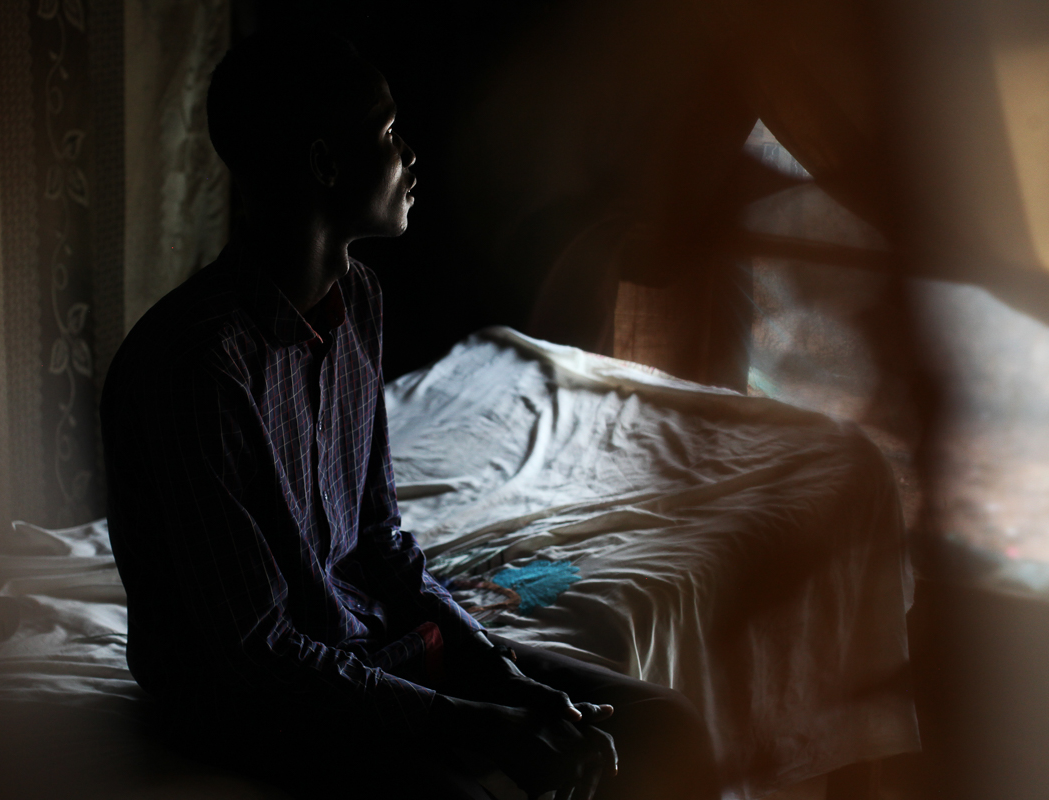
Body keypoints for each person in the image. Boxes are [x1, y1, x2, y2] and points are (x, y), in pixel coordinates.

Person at [101, 30, 718, 800]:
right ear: (326, 165)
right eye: (389, 134)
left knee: (665, 729)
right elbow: (257, 659)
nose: (410, 156)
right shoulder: (198, 370)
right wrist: (474, 723)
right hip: (258, 707)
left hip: (361, 649)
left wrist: (503, 677)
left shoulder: (357, 302)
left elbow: (381, 546)